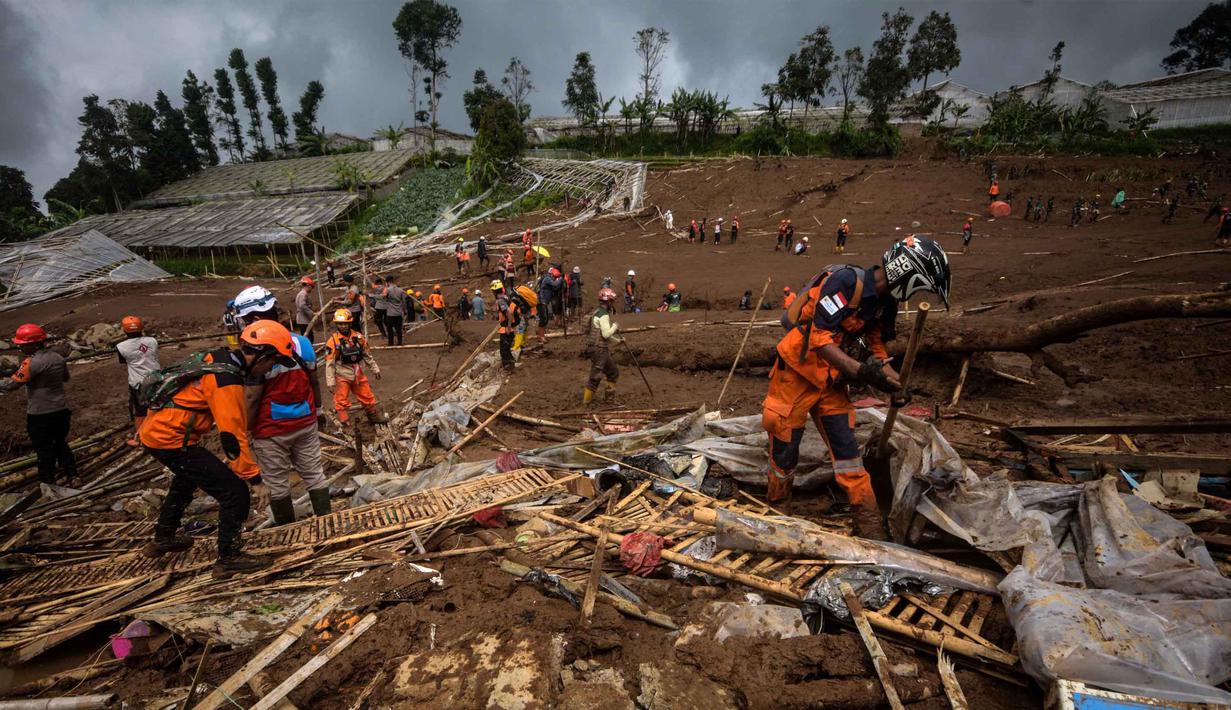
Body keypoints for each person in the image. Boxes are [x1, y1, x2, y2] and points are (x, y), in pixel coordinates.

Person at [761, 236, 951, 539]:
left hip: (831, 381)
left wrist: (895, 384)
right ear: (907, 273)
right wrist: (862, 372)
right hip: (795, 375)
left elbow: (876, 346)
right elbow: (819, 340)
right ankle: (778, 513)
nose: (917, 294)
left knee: (847, 452)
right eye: (920, 286)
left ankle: (869, 526)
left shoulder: (887, 304)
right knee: (785, 452)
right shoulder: (845, 282)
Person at [139, 323, 283, 574]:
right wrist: (254, 479)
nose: (270, 369)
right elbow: (231, 437)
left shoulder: (218, 357)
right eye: (272, 362)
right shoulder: (227, 381)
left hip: (157, 432)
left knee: (185, 479)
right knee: (235, 492)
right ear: (262, 356)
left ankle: (164, 536)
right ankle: (229, 557)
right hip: (171, 439)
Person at [238, 319, 330, 527]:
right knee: (314, 474)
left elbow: (252, 398)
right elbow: (313, 380)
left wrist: (245, 430)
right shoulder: (302, 344)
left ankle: (288, 531)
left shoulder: (258, 356)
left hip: (270, 429)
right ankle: (327, 522)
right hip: (305, 420)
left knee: (277, 484)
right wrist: (318, 410)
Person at [1, 324, 76, 484]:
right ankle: (73, 474)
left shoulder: (29, 363)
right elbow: (65, 378)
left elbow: (11, 385)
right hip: (61, 410)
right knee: (60, 442)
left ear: (34, 344)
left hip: (40, 414)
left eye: (22, 344)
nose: (19, 346)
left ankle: (48, 480)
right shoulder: (58, 358)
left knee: (43, 448)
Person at [324, 309, 386, 426]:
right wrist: (330, 382)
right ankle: (345, 423)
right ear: (337, 324)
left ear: (349, 323)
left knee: (367, 395)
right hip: (342, 375)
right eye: (340, 324)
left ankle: (373, 416)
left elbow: (367, 355)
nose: (343, 326)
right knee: (341, 400)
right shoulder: (333, 341)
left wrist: (375, 368)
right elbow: (330, 363)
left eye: (345, 323)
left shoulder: (358, 337)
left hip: (358, 373)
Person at [117, 316, 160, 447]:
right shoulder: (152, 341)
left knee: (140, 411)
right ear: (141, 327)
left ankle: (140, 438)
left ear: (125, 330)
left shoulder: (121, 347)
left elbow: (123, 361)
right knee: (158, 405)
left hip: (138, 382)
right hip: (157, 378)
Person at [583, 288, 622, 404]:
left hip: (597, 348)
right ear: (608, 301)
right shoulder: (603, 315)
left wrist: (618, 341)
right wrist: (615, 326)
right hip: (599, 350)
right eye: (612, 301)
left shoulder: (596, 312)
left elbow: (603, 335)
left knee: (613, 372)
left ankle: (609, 400)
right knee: (595, 377)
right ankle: (586, 403)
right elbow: (606, 334)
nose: (613, 304)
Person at [492, 280, 520, 370]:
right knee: (507, 348)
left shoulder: (500, 301)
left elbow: (509, 313)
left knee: (504, 350)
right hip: (510, 327)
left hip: (506, 329)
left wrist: (508, 327)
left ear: (494, 291)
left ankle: (508, 367)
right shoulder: (506, 297)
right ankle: (511, 363)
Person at [537, 266, 564, 341]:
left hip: (545, 301)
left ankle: (541, 335)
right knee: (543, 319)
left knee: (545, 319)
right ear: (552, 274)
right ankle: (541, 336)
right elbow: (555, 284)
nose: (555, 278)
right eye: (555, 277)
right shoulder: (547, 278)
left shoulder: (550, 279)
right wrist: (561, 279)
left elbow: (556, 288)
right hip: (542, 301)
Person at [383, 275, 407, 346]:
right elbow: (404, 302)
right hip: (398, 313)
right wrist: (404, 311)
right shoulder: (400, 290)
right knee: (398, 329)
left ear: (387, 282)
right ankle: (399, 342)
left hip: (390, 313)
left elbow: (383, 297)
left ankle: (391, 343)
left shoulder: (388, 290)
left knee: (390, 329)